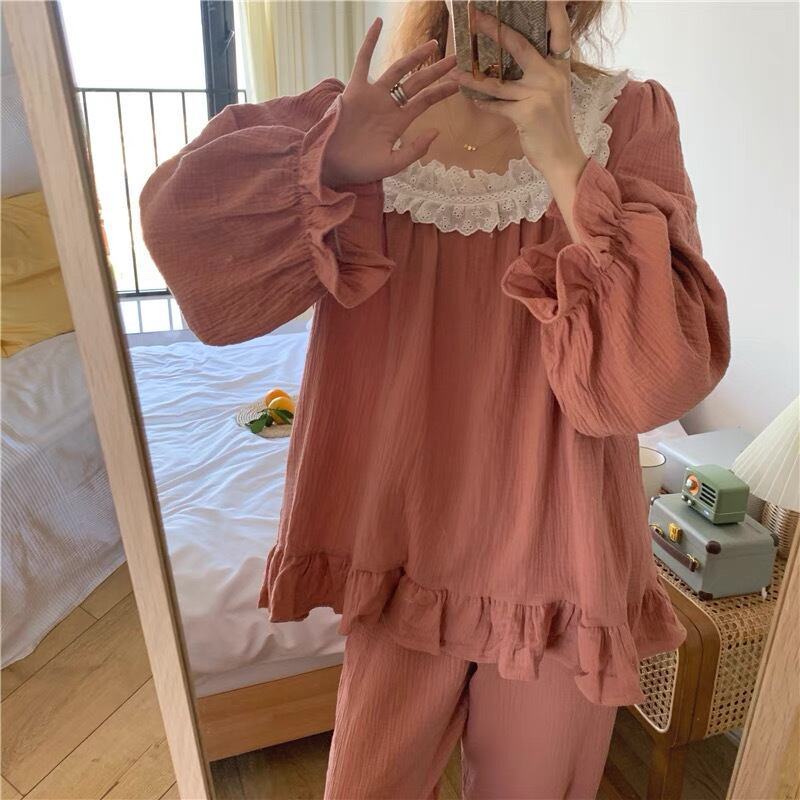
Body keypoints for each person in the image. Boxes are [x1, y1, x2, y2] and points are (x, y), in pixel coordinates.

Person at [140, 2, 730, 797]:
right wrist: (329, 161)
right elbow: (190, 248)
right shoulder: (364, 116)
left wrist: (566, 164)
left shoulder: (628, 122)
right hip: (402, 542)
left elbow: (653, 381)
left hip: (560, 554)